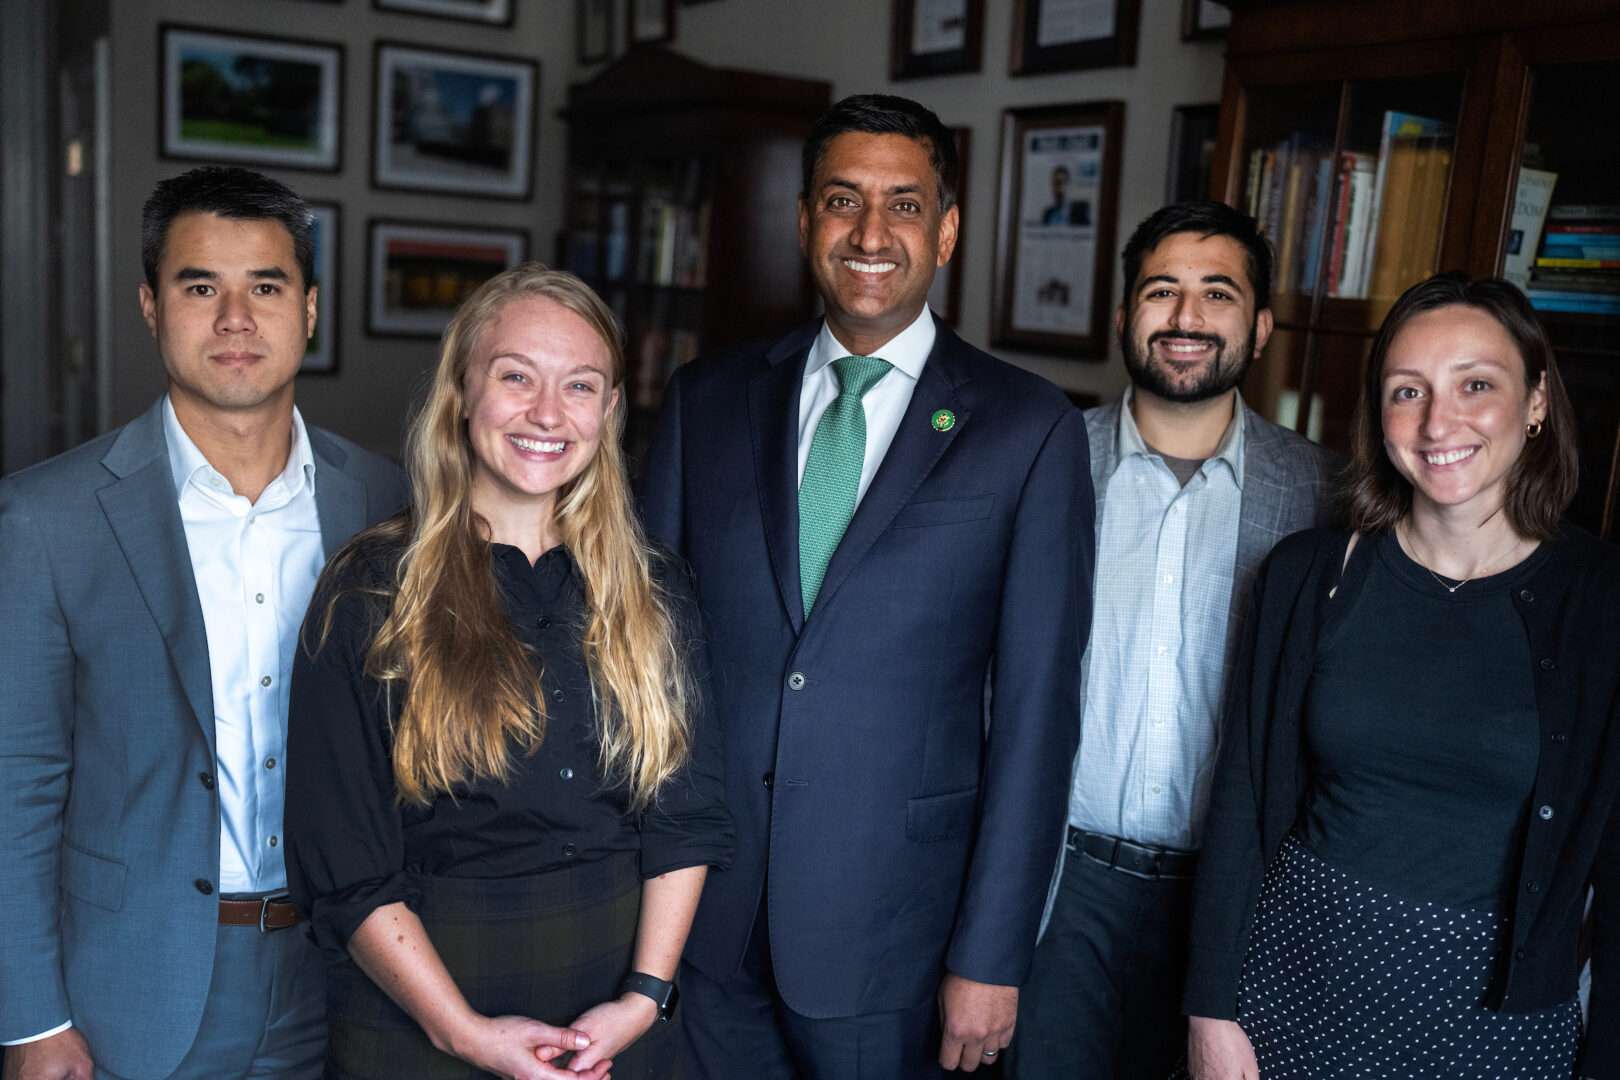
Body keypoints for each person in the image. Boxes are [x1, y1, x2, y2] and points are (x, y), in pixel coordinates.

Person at [638, 93, 1092, 1078]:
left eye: (905, 204)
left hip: (899, 940)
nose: (872, 233)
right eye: (843, 201)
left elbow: (1036, 716)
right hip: (701, 921)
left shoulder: (1028, 429)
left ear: (948, 230)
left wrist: (991, 950)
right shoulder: (707, 401)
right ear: (804, 221)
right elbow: (642, 663)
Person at [0, 166, 406, 1080]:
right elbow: (14, 782)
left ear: (309, 309)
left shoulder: (385, 499)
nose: (235, 318)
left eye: (266, 286)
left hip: (350, 968)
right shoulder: (45, 518)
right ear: (150, 306)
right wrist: (30, 1020)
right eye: (199, 287)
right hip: (134, 985)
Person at [285, 264, 733, 1080]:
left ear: (608, 411)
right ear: (462, 394)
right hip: (420, 1019)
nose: (548, 414)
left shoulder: (657, 588)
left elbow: (686, 817)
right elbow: (344, 866)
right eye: (516, 377)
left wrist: (644, 999)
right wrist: (461, 1032)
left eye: (581, 385)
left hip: (618, 1021)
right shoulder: (369, 589)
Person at [1183, 273, 1618, 1079]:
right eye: (1406, 391)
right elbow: (1241, 801)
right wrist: (1211, 1010)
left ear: (1536, 402)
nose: (1437, 421)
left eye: (1476, 385)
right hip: (1287, 995)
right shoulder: (1312, 575)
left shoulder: (1602, 602)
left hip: (1498, 1030)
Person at [1008, 201, 1340, 1079]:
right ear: (1125, 316)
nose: (1187, 318)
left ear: (1261, 326)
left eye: (1218, 294)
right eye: (1162, 291)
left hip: (1235, 899)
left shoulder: (1326, 497)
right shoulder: (1042, 465)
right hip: (1058, 889)